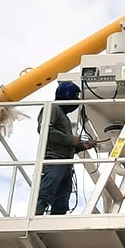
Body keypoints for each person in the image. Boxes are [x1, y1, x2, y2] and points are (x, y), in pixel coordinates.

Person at [35, 81, 94, 215]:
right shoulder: (52, 108)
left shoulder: (64, 118)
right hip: (54, 161)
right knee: (46, 194)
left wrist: (81, 146)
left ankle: (55, 225)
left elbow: (64, 143)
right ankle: (35, 216)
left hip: (65, 164)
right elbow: (45, 130)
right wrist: (70, 139)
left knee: (61, 201)